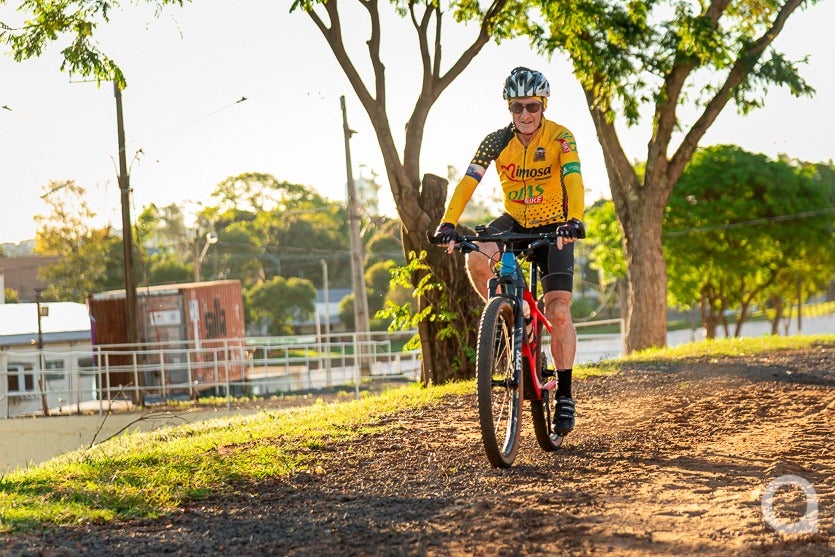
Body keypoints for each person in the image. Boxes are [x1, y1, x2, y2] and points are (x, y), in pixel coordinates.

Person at [433, 66, 586, 436]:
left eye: (531, 106)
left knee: (560, 311)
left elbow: (573, 180)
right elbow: (469, 182)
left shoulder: (561, 137)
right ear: (509, 108)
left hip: (555, 224)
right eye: (516, 107)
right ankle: (508, 317)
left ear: (543, 105)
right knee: (476, 256)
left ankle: (564, 394)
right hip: (515, 220)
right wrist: (449, 222)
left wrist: (574, 219)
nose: (524, 114)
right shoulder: (496, 141)